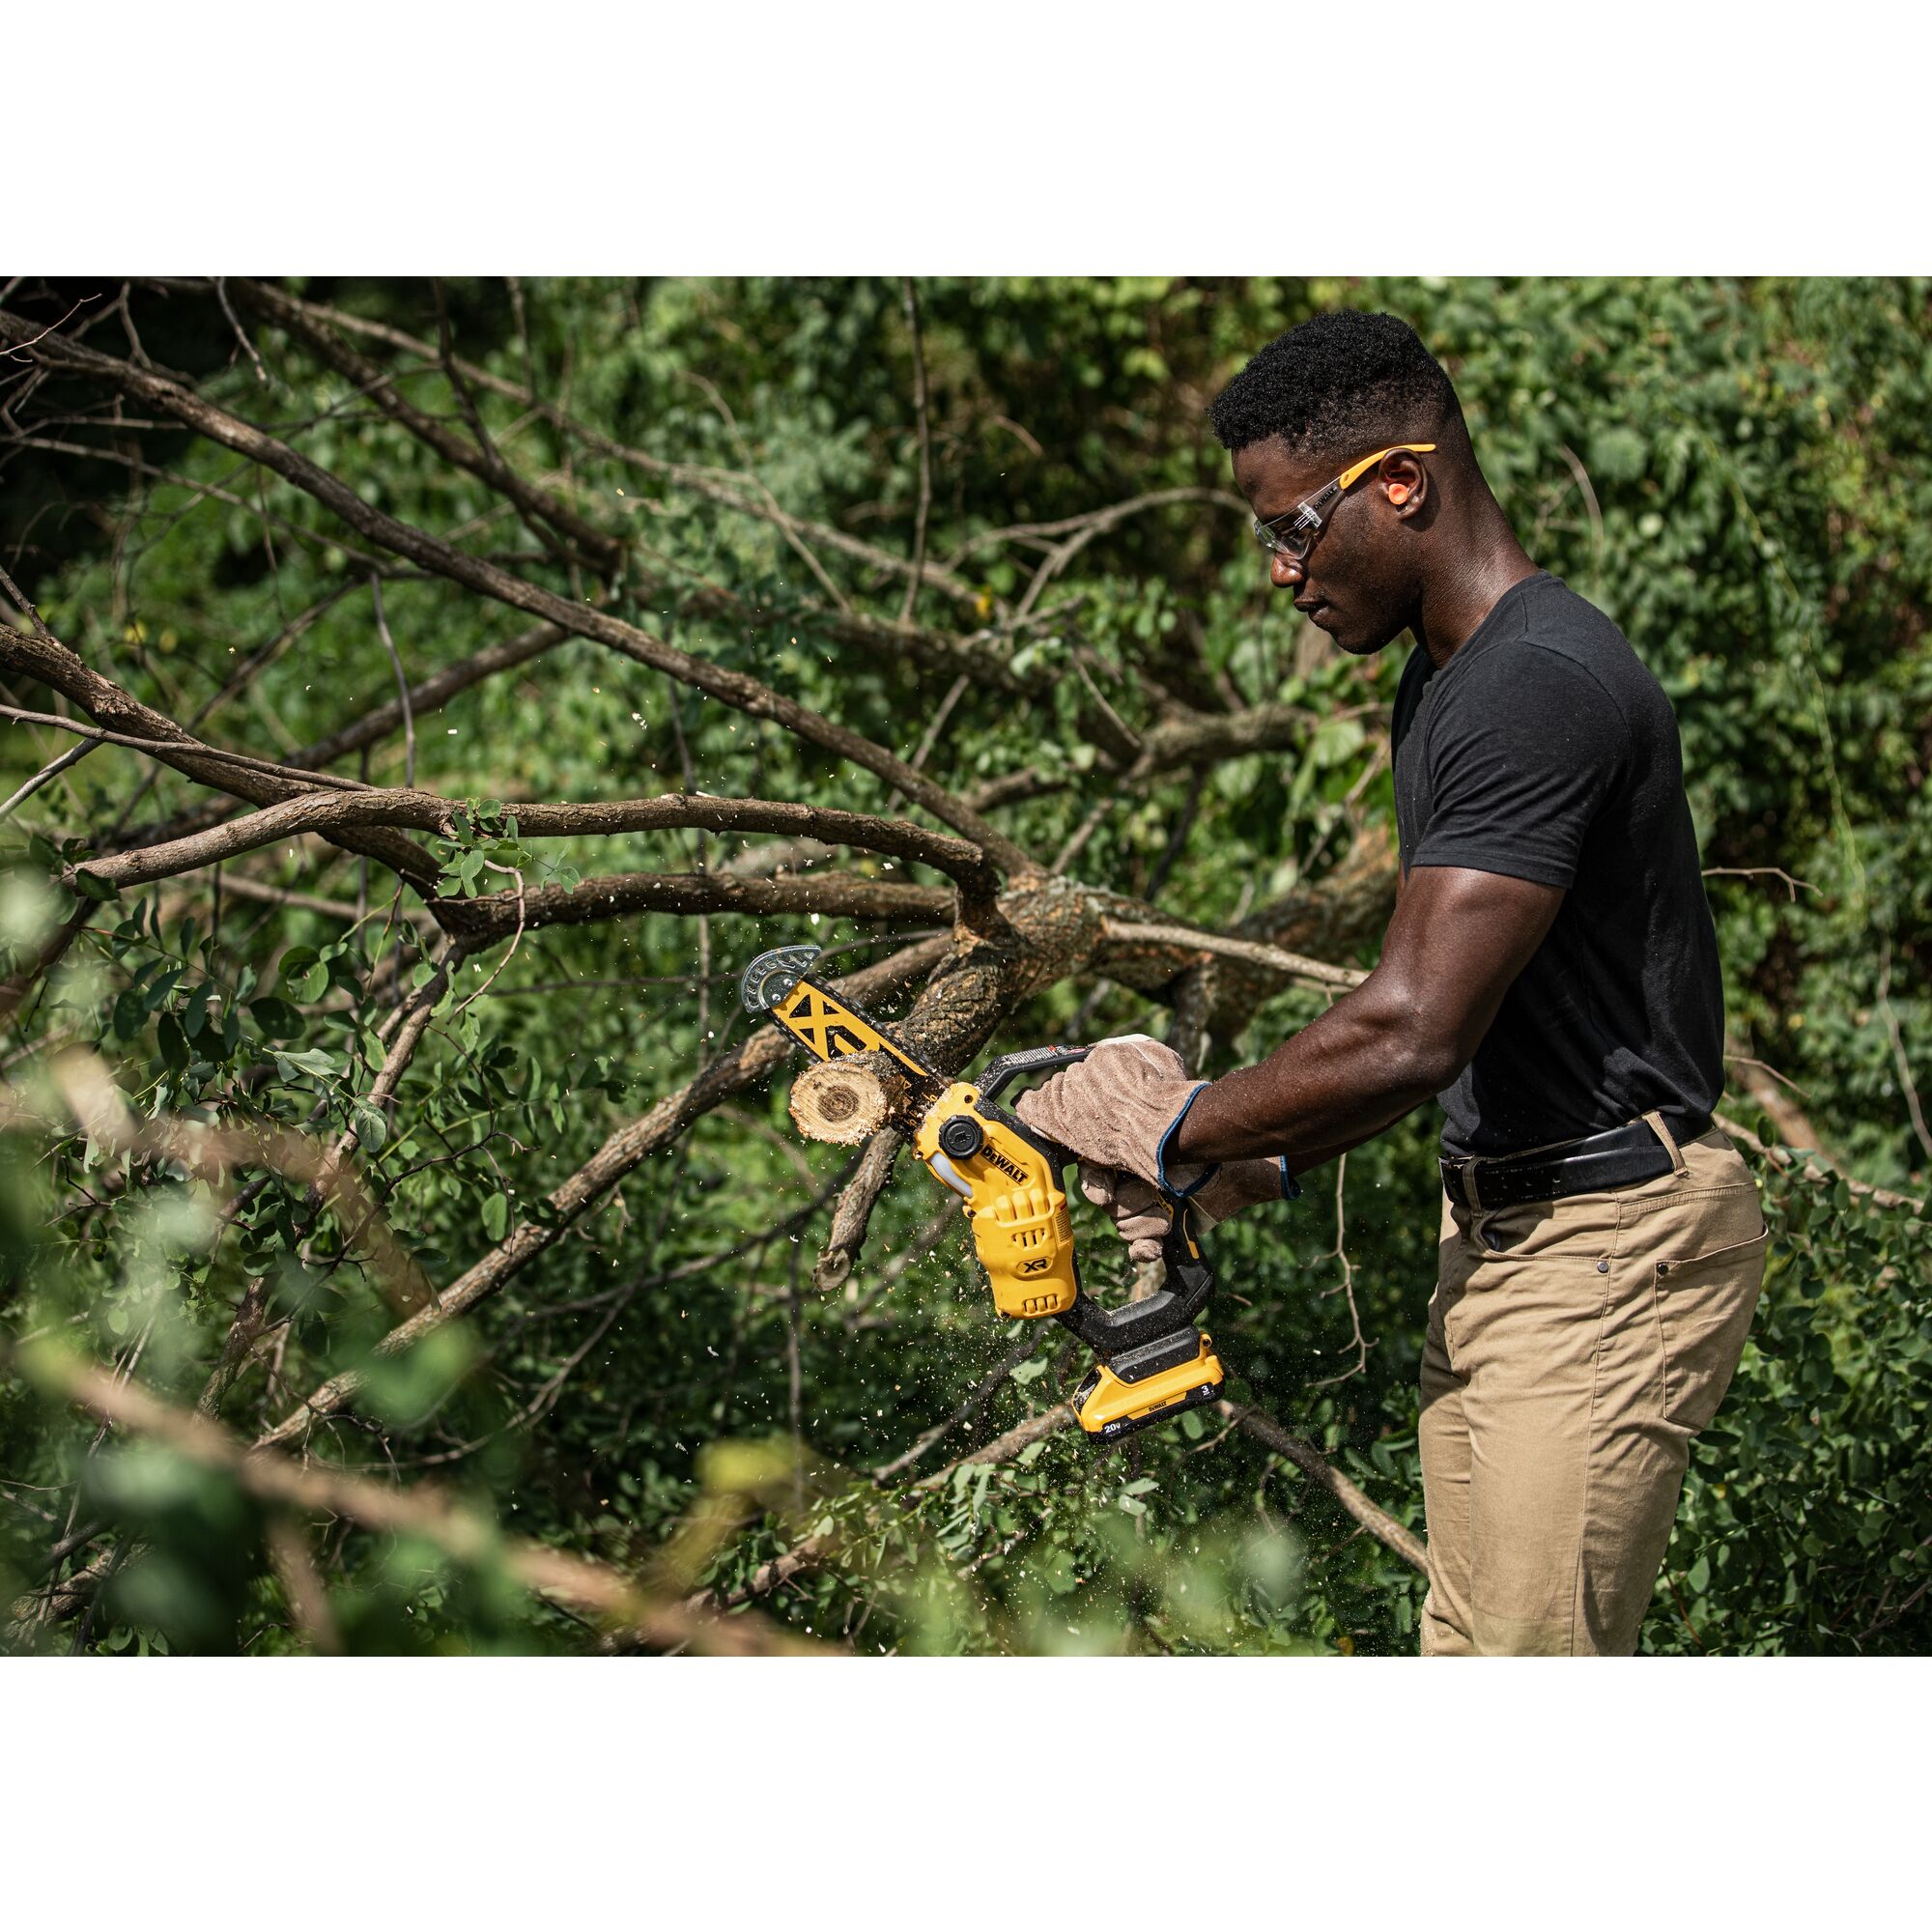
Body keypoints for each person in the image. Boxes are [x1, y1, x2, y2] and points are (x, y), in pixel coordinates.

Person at [1014, 310, 1767, 1657]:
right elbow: (1474, 1010)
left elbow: (1412, 1029)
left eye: (1290, 528)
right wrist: (1264, 1159)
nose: (1278, 574)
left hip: (1602, 1248)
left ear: (1401, 483)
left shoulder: (1533, 686)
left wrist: (1176, 1129)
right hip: (1507, 1237)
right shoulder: (1445, 686)